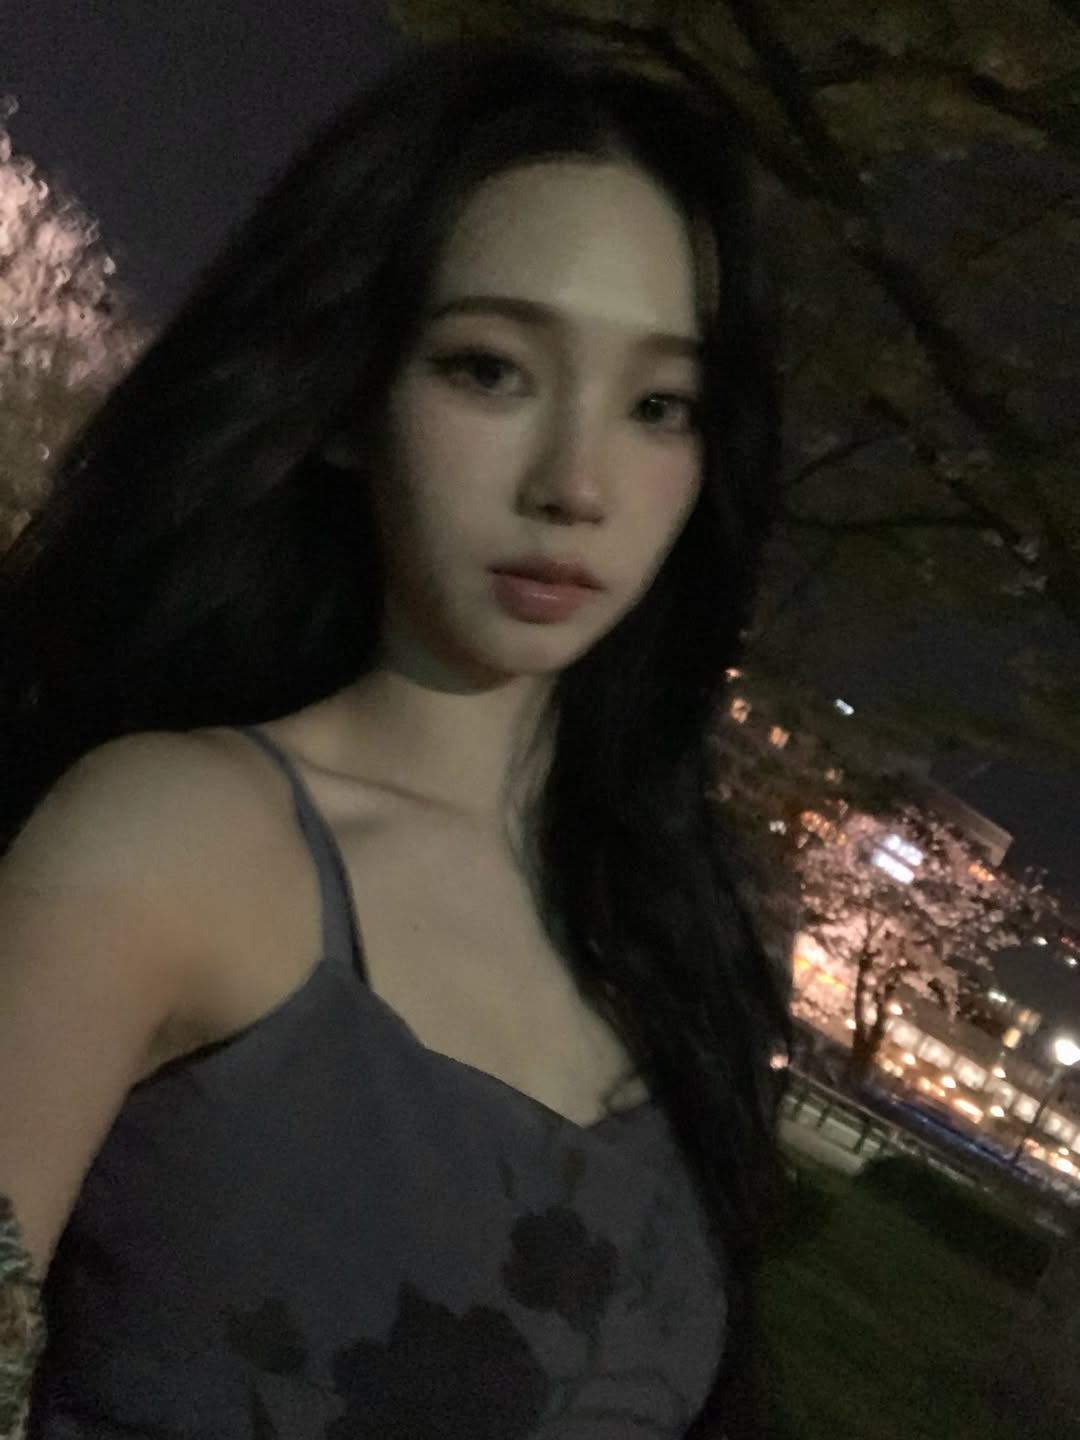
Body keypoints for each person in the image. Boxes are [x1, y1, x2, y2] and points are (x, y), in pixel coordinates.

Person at [0, 21, 795, 1440]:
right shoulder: (168, 846)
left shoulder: (672, 937)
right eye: (491, 369)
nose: (577, 484)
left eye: (658, 404)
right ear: (349, 397)